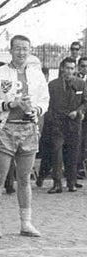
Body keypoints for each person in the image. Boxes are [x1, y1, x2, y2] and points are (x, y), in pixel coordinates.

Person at [0, 35, 49, 237]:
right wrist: (9, 104)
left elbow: (44, 100)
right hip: (6, 128)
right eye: (18, 48)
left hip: (28, 129)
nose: (21, 52)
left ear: (29, 51)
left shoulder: (37, 74)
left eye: (25, 49)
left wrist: (36, 111)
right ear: (11, 50)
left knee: (24, 178)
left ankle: (26, 223)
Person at [46, 57, 86, 193]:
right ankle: (57, 183)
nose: (69, 71)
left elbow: (85, 102)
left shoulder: (81, 84)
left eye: (72, 68)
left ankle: (71, 182)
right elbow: (48, 104)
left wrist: (78, 111)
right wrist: (52, 119)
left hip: (74, 124)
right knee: (57, 153)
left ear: (74, 69)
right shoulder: (52, 85)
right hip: (58, 124)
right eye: (67, 68)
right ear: (62, 68)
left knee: (73, 153)